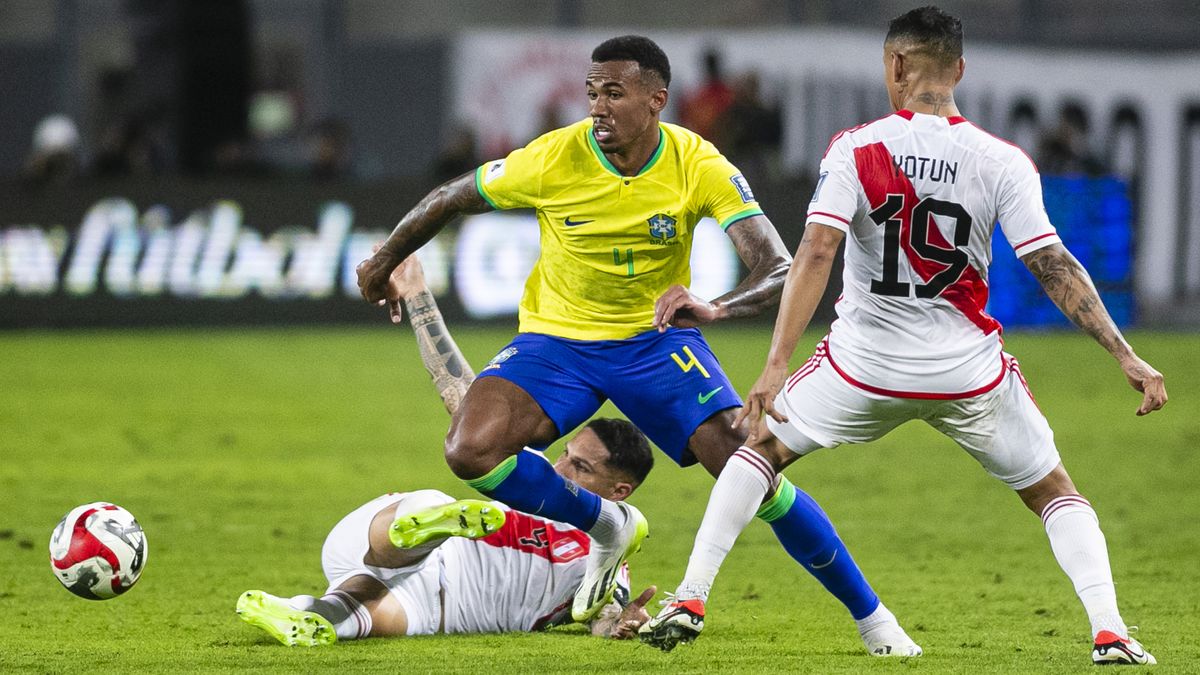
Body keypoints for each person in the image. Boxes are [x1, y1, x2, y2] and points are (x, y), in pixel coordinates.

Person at [356, 35, 920, 655]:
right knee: (470, 450)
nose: (597, 107)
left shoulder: (696, 163)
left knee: (750, 466)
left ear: (656, 100)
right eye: (592, 92)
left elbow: (779, 267)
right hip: (557, 341)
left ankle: (874, 621)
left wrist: (715, 307)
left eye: (614, 94)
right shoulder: (553, 158)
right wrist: (386, 259)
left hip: (655, 346)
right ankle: (607, 522)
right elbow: (448, 197)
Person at [642, 7, 1166, 667]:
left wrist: (775, 365)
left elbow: (815, 254)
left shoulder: (857, 148)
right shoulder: (1001, 160)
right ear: (959, 71)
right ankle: (1110, 631)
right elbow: (1053, 264)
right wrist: (1125, 353)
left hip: (864, 368)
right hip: (968, 373)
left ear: (895, 66)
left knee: (760, 450)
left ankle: (691, 594)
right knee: (1055, 490)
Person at [237, 257, 657, 645]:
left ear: (619, 492)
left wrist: (622, 623)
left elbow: (605, 618)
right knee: (431, 503)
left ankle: (304, 612)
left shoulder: (606, 555)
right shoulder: (529, 475)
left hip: (437, 608)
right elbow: (459, 392)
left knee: (361, 612)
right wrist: (418, 294)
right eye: (566, 453)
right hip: (384, 541)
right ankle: (430, 526)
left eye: (580, 467)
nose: (561, 467)